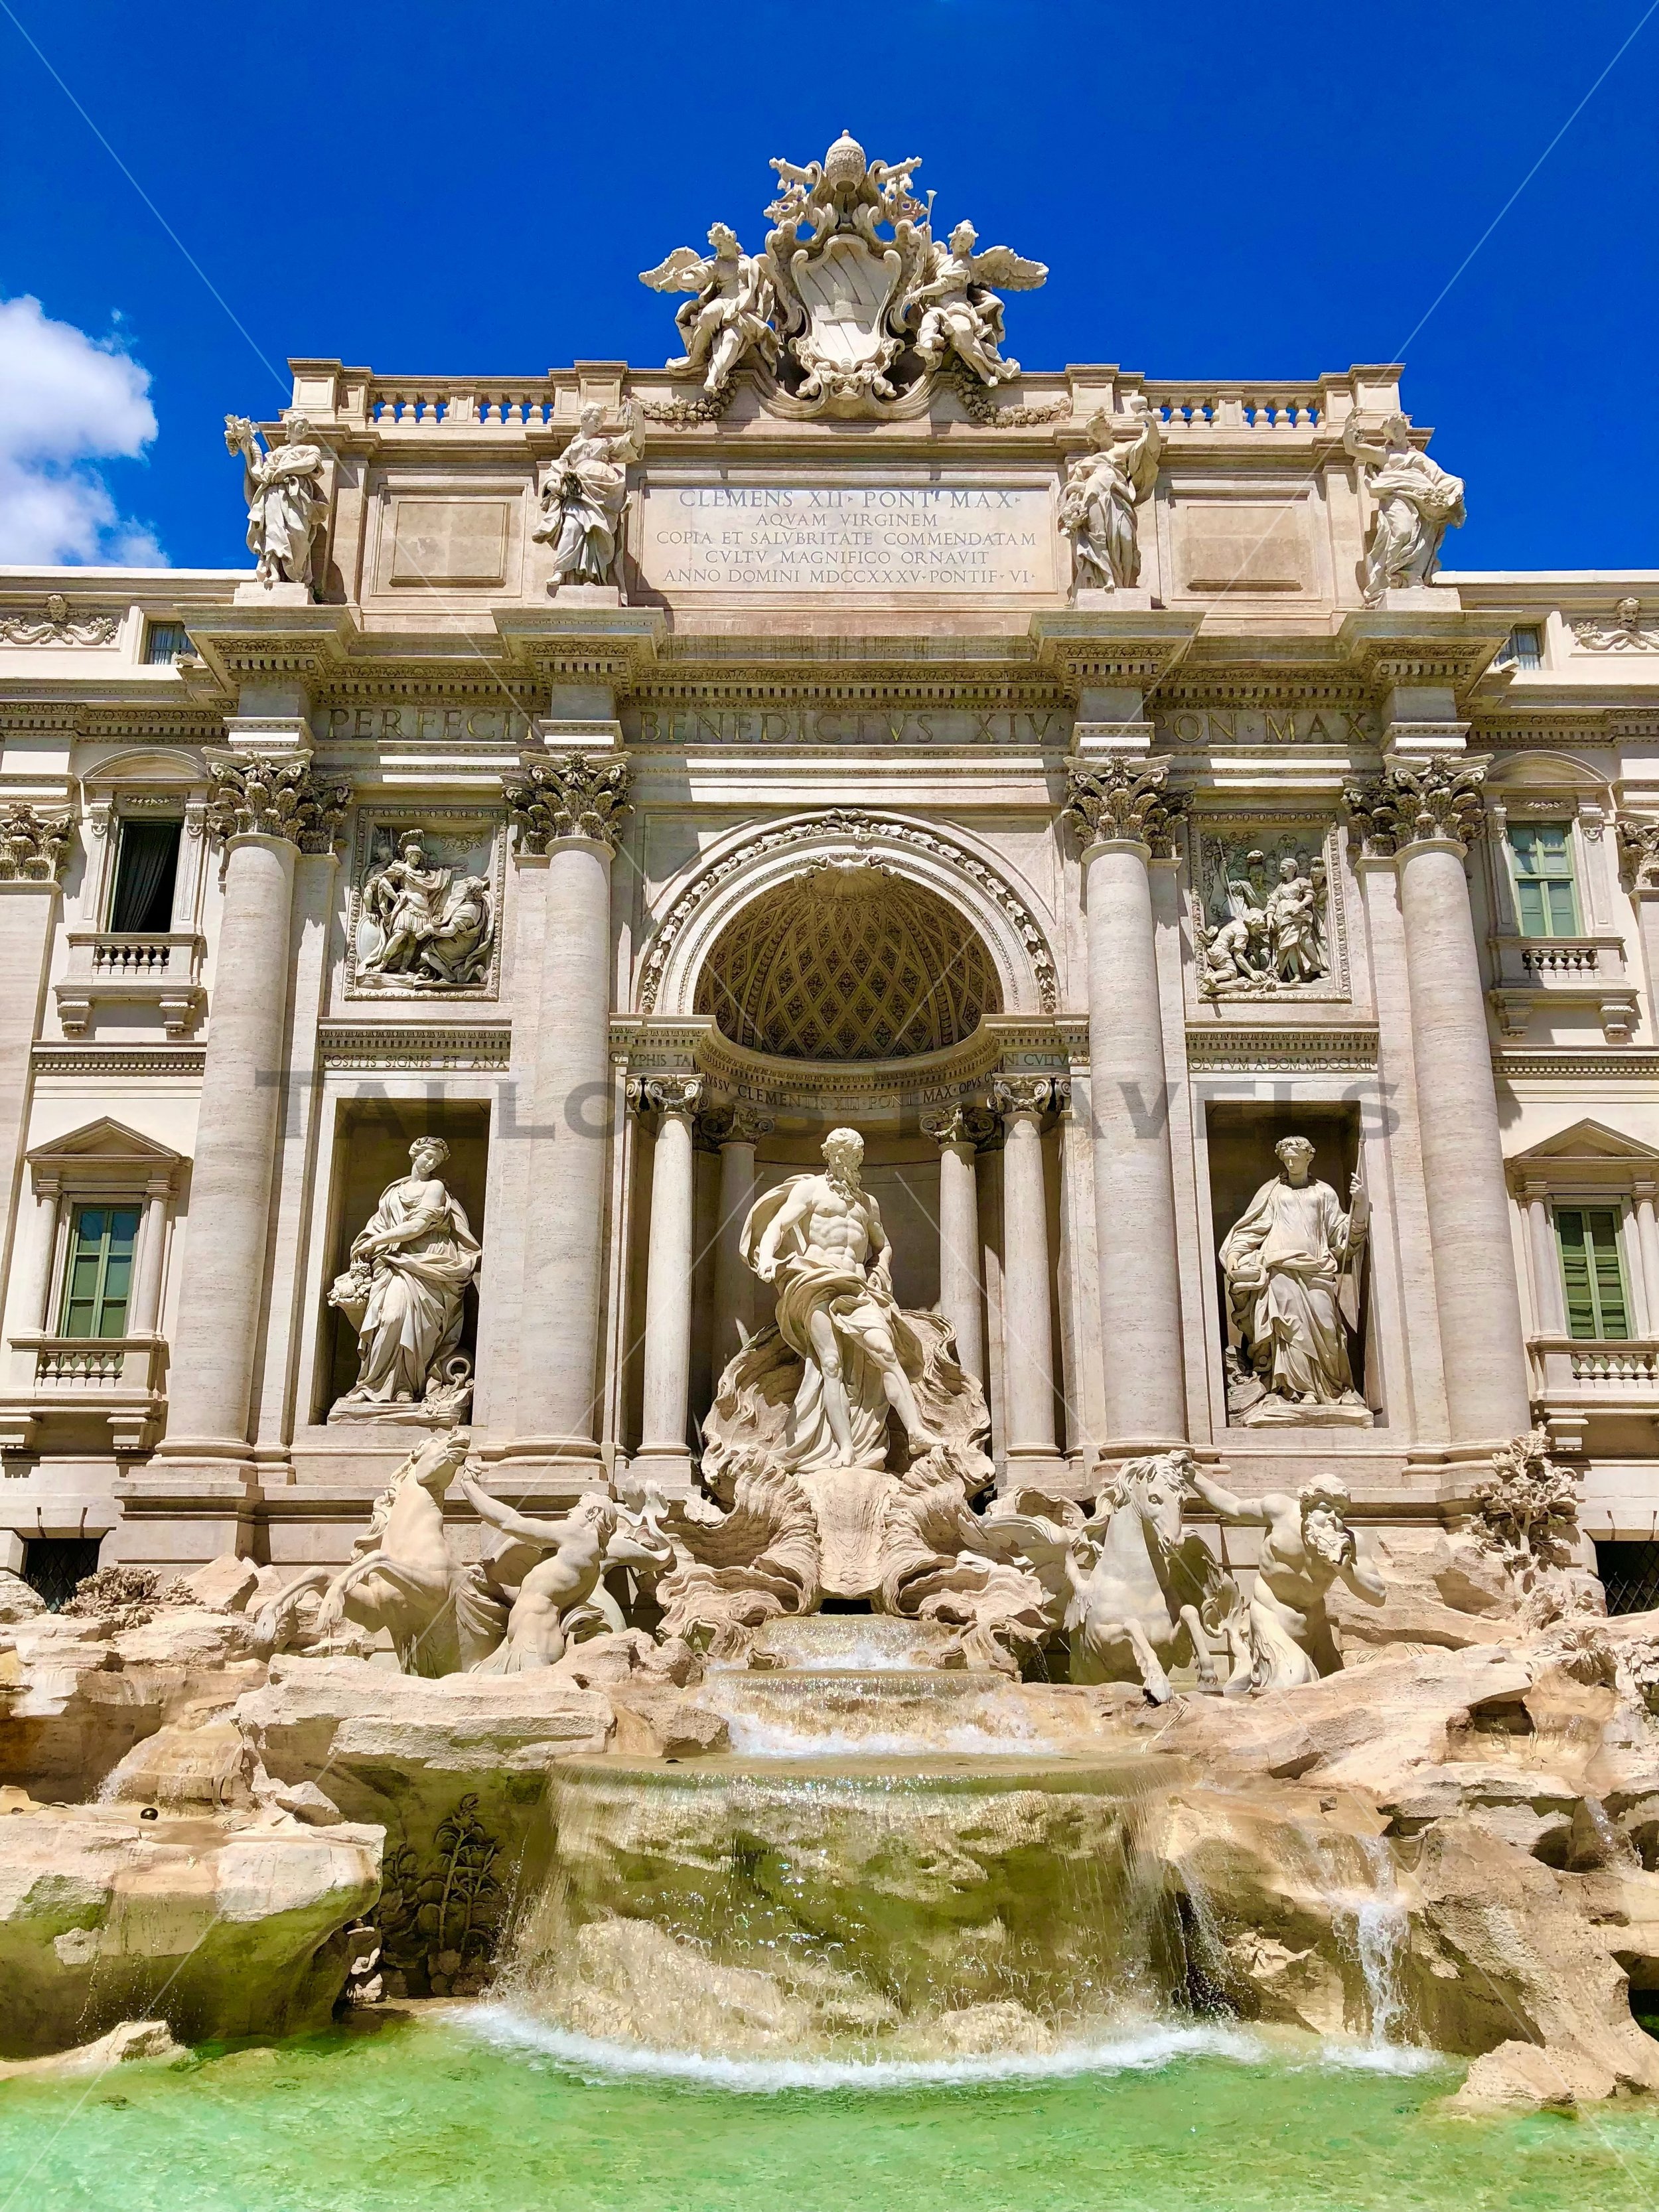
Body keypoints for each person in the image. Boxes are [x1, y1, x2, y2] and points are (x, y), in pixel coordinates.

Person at [742, 1127, 942, 1471]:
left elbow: (883, 1245)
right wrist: (766, 1258)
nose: (846, 1161)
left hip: (859, 1288)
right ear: (828, 1156)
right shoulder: (810, 1190)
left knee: (886, 1352)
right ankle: (845, 1448)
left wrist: (881, 1270)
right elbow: (778, 1225)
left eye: (853, 1156)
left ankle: (916, 1431)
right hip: (816, 1281)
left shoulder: (867, 1204)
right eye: (840, 1155)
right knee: (830, 1364)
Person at [1183, 1464, 1385, 1688]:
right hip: (1271, 1615)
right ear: (1307, 1506)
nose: (1333, 1519)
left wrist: (1346, 1570)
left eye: (1339, 1512)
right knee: (1293, 1681)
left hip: (1314, 1625)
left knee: (1335, 1689)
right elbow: (1234, 1508)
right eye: (1326, 1509)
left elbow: (1378, 1596)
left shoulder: (1351, 1541)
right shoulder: (1279, 1511)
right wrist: (1194, 1478)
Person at [1220, 1135, 1368, 1416]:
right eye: (1286, 1158)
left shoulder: (1324, 1193)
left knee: (1327, 1327)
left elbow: (1344, 1236)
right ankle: (1298, 1392)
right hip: (1279, 1269)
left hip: (1317, 1269)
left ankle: (1332, 1389)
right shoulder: (1272, 1192)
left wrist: (1360, 1205)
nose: (1290, 1162)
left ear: (1309, 1157)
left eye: (1296, 1157)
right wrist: (1234, 1257)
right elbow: (1251, 1230)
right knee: (1289, 1331)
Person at [330, 1137, 481, 1410]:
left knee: (417, 1326)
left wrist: (375, 1242)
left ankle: (406, 1388)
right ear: (414, 1154)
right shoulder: (394, 1191)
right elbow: (379, 1223)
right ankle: (374, 1385)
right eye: (427, 1156)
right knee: (390, 1318)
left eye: (436, 1160)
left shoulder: (435, 1188)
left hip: (430, 1264)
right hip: (394, 1262)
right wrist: (369, 1242)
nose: (431, 1162)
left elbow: (417, 1226)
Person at [532, 400, 641, 586]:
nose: (599, 423)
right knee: (571, 528)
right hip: (578, 492)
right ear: (584, 418)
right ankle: (561, 570)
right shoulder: (571, 448)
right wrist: (555, 484)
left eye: (602, 420)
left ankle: (593, 576)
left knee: (598, 534)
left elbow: (634, 443)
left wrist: (638, 418)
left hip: (604, 493)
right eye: (596, 418)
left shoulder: (606, 443)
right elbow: (556, 469)